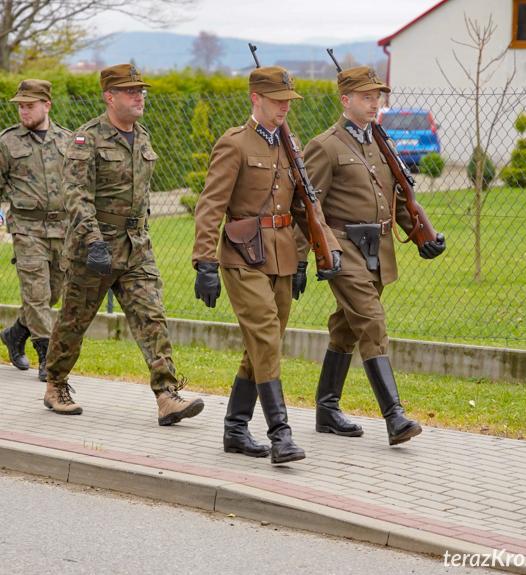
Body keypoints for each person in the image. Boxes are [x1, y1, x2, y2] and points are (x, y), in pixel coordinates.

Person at [191, 66, 342, 464]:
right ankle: (281, 435)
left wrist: (319, 248)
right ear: (255, 99)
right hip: (242, 255)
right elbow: (210, 206)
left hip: (282, 257)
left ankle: (235, 429)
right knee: (264, 337)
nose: (284, 108)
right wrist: (204, 262)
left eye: (288, 101)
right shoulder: (235, 144)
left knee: (263, 344)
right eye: (277, 101)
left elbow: (305, 206)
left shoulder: (290, 145)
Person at [42, 64, 204, 425]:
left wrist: (141, 234)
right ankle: (55, 384)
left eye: (141, 91)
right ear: (109, 96)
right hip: (92, 248)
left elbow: (141, 195)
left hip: (135, 248)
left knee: (152, 317)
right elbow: (76, 196)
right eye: (130, 92)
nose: (139, 97)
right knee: (73, 321)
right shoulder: (86, 139)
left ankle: (166, 395)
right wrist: (95, 241)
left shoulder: (143, 136)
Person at [302, 66, 446, 446]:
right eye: (366, 97)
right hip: (342, 246)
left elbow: (394, 198)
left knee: (347, 326)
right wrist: (304, 258)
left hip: (378, 252)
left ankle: (327, 409)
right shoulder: (325, 145)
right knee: (371, 320)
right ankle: (395, 416)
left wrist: (420, 236)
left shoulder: (381, 143)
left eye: (377, 96)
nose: (374, 103)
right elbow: (308, 208)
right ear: (345, 100)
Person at [0, 80, 71, 381]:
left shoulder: (68, 140)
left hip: (62, 227)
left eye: (29, 105)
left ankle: (15, 333)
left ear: (46, 106)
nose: (23, 111)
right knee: (36, 294)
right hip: (27, 229)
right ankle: (47, 358)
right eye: (20, 106)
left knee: (51, 295)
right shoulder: (8, 142)